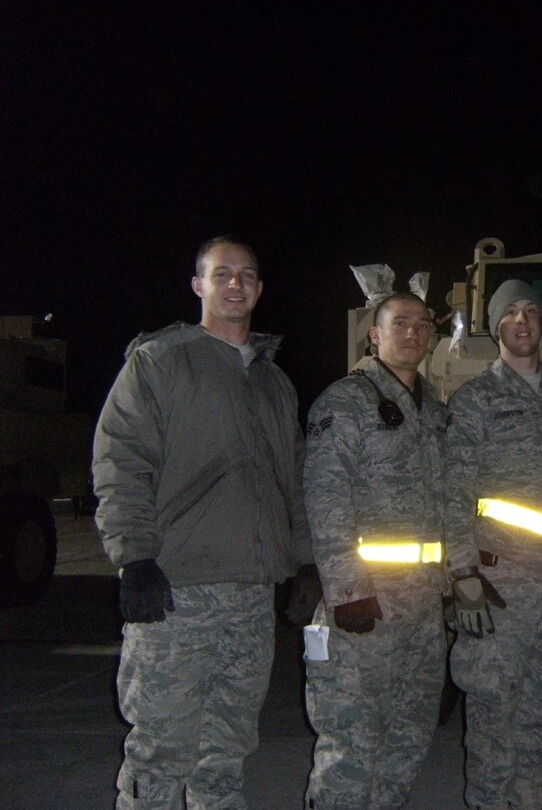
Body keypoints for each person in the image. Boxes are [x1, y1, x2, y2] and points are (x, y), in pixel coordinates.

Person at [92, 235, 315, 810]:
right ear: (199, 286)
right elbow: (121, 461)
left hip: (252, 596)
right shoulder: (160, 361)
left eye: (247, 274)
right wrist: (134, 558)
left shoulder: (275, 382)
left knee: (229, 749)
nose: (235, 284)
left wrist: (306, 561)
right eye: (222, 274)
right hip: (176, 591)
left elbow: (295, 479)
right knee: (161, 750)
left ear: (260, 288)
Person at [445, 279, 542, 810]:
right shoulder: (475, 400)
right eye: (512, 313)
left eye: (532, 311)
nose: (524, 321)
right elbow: (454, 491)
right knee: (492, 699)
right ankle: (488, 799)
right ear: (496, 327)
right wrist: (462, 572)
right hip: (500, 576)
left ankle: (531, 790)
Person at [302, 291, 448, 810]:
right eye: (400, 323)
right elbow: (325, 498)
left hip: (425, 607)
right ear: (375, 334)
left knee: (407, 739)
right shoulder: (345, 402)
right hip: (368, 605)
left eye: (423, 325)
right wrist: (346, 591)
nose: (413, 333)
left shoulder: (433, 409)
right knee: (351, 743)